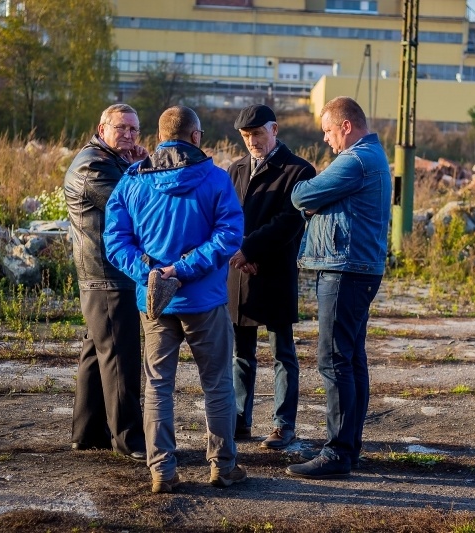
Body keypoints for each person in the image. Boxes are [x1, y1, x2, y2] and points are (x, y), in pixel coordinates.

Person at [103, 105, 246, 494]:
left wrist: (150, 271)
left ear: (160, 135)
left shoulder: (132, 181)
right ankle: (223, 466)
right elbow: (229, 236)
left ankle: (162, 471)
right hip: (204, 301)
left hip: (155, 303)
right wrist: (182, 270)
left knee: (157, 385)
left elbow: (115, 242)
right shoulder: (216, 180)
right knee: (217, 384)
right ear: (196, 137)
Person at [285, 96, 391, 479]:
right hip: (357, 268)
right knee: (351, 359)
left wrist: (315, 202)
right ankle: (349, 447)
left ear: (345, 126)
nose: (327, 140)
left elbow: (301, 194)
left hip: (346, 269)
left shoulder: (355, 159)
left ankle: (338, 452)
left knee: (334, 360)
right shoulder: (369, 157)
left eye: (329, 131)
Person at [228, 104, 316, 450]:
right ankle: (239, 419)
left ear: (275, 130)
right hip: (239, 272)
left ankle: (283, 425)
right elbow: (226, 217)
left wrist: (250, 251)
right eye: (246, 136)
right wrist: (240, 254)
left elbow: (288, 222)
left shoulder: (299, 171)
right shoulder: (234, 170)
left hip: (275, 270)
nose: (252, 141)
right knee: (240, 353)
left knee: (283, 352)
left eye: (258, 134)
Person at [64, 103, 148, 462]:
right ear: (102, 129)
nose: (129, 135)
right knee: (120, 358)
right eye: (121, 128)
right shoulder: (93, 164)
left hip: (106, 275)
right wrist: (142, 168)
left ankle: (87, 433)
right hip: (107, 277)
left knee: (95, 354)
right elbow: (132, 204)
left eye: (134, 130)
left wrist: (134, 165)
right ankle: (129, 441)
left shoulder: (108, 160)